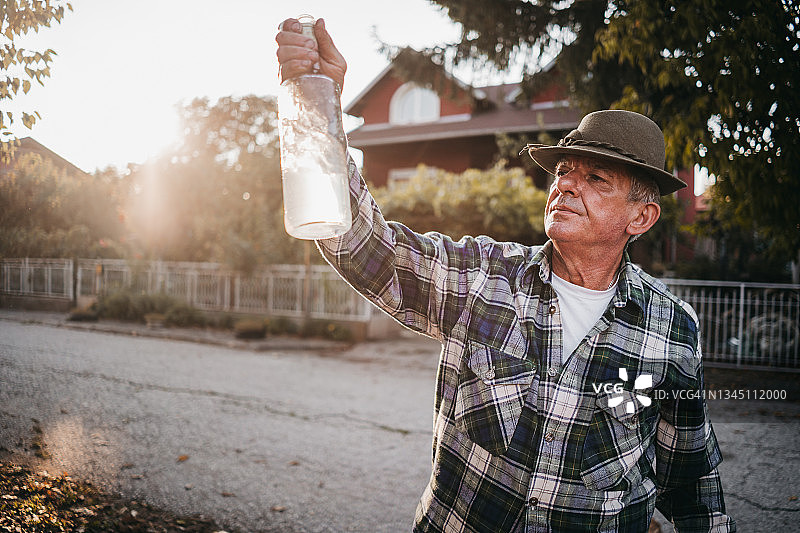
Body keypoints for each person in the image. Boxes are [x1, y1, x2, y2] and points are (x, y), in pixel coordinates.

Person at [276, 18, 735, 533]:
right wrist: (317, 108)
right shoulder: (485, 278)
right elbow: (371, 253)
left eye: (595, 178)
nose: (565, 186)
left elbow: (691, 480)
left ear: (641, 218)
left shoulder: (671, 329)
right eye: (563, 171)